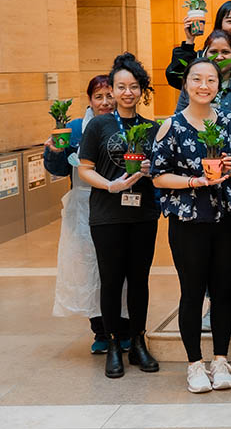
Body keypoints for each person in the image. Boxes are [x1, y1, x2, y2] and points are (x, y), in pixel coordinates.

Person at [151, 57, 231, 393]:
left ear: (219, 85)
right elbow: (158, 177)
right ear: (186, 84)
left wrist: (227, 168)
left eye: (210, 80)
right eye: (197, 79)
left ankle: (221, 360)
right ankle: (194, 364)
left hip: (226, 217)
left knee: (223, 293)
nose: (204, 86)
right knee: (192, 293)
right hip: (188, 219)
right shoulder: (171, 126)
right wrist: (194, 182)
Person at [77, 53, 161, 379]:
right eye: (121, 87)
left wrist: (151, 169)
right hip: (107, 215)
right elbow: (85, 169)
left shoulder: (151, 128)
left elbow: (162, 171)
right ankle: (113, 343)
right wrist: (110, 185)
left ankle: (138, 342)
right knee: (111, 281)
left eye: (134, 87)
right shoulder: (99, 125)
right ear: (112, 90)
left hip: (143, 214)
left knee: (139, 280)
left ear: (142, 91)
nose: (127, 92)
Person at [44, 76, 131, 354]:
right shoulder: (74, 128)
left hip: (118, 203)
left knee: (121, 268)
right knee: (89, 269)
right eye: (98, 96)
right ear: (90, 100)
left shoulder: (125, 125)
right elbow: (58, 169)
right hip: (82, 207)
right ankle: (101, 331)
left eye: (109, 95)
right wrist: (54, 152)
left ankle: (125, 327)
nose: (105, 102)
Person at [167, 0, 231, 94]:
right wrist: (189, 41)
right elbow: (175, 79)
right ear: (220, 24)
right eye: (229, 21)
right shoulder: (202, 59)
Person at [174, 30, 231, 117]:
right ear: (204, 55)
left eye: (225, 52)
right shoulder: (191, 86)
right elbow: (178, 122)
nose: (219, 57)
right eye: (213, 52)